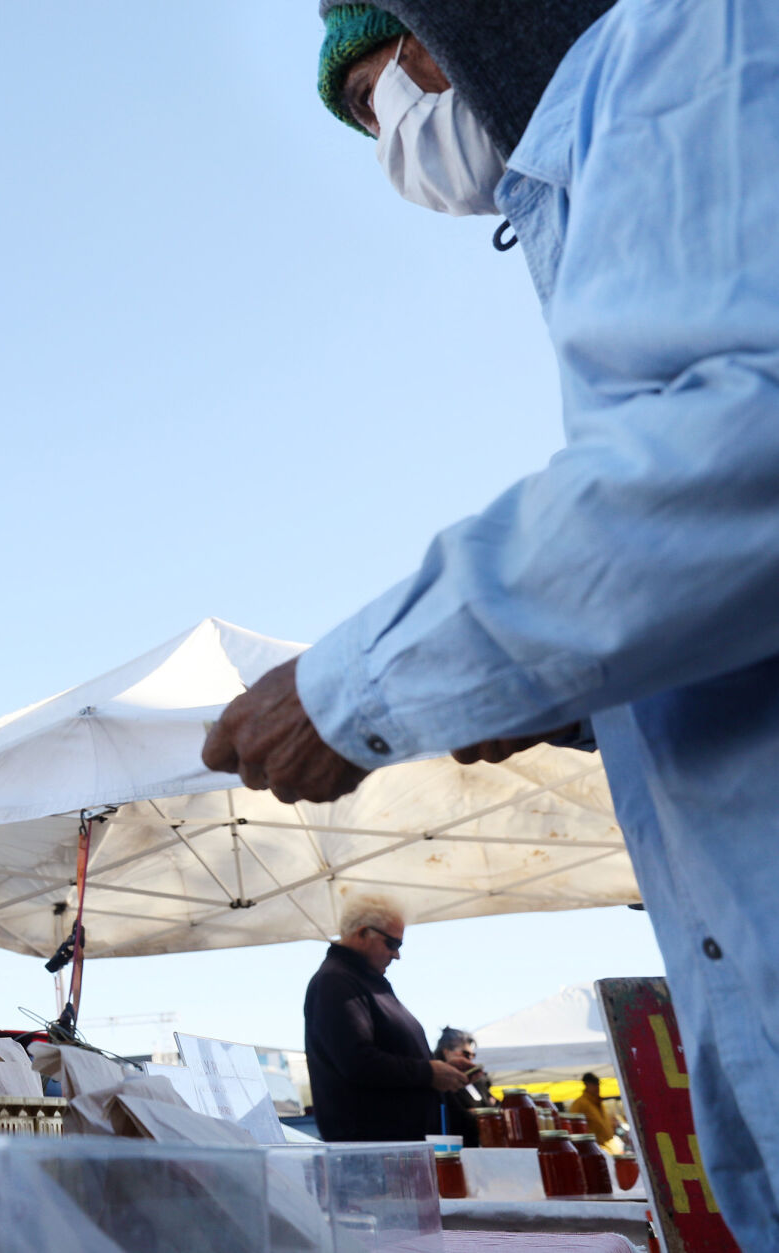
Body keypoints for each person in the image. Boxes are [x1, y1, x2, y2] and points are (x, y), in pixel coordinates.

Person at [202, 0, 779, 1238]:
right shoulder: (588, 166)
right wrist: (575, 697)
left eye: (371, 103)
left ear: (427, 42)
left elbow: (741, 445)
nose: (388, 144)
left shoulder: (681, 46)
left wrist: (355, 686)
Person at [303, 896, 466, 1141]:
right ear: (362, 933)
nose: (397, 955)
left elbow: (387, 1053)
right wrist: (428, 1072)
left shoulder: (359, 980)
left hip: (395, 1144)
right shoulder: (336, 981)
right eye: (392, 944)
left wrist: (442, 1068)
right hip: (375, 1147)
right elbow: (357, 1061)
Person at [432, 1027, 496, 1147]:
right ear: (446, 1052)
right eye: (465, 1053)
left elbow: (493, 1103)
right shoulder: (440, 1085)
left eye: (473, 1055)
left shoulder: (478, 1082)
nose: (470, 1058)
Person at [570, 1072, 621, 1152]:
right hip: (591, 1148)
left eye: (598, 1084)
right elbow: (573, 1126)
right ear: (586, 1085)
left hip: (605, 1146)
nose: (597, 1087)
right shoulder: (580, 1103)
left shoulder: (597, 1102)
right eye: (594, 1084)